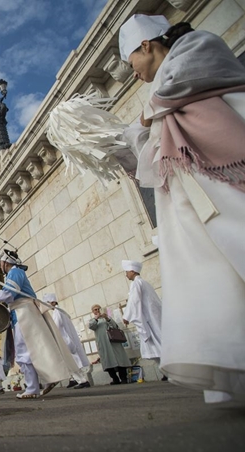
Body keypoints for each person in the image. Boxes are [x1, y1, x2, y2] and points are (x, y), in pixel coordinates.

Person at [118, 14, 245, 403]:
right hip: (191, 191)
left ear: (146, 45)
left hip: (218, 171)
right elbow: (145, 147)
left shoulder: (194, 47)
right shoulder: (161, 92)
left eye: (131, 62)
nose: (132, 73)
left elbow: (184, 82)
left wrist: (145, 116)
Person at [0, 250, 80, 399]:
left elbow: (9, 293)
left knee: (24, 350)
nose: (0, 266)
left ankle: (32, 388)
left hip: (24, 313)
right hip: (22, 312)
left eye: (0, 263)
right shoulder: (16, 273)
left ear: (5, 262)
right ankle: (44, 379)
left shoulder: (14, 272)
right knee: (34, 348)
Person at [120, 260, 165, 381]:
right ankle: (165, 370)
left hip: (149, 321)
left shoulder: (137, 283)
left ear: (133, 271)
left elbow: (134, 301)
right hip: (153, 319)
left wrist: (126, 316)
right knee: (156, 346)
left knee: (157, 344)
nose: (126, 274)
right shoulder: (145, 283)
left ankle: (168, 369)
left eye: (127, 272)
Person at [44, 293, 91, 389]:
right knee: (71, 362)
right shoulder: (61, 311)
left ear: (52, 302)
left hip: (65, 340)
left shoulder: (57, 312)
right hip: (67, 339)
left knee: (71, 362)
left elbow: (56, 326)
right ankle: (74, 379)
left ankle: (82, 380)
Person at [88, 304, 131, 385]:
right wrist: (96, 318)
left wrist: (107, 318)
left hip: (114, 342)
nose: (97, 311)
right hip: (104, 344)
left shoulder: (107, 318)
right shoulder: (93, 320)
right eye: (95, 310)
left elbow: (115, 326)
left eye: (98, 309)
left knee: (120, 360)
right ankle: (115, 379)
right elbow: (91, 326)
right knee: (108, 362)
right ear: (93, 312)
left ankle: (124, 378)